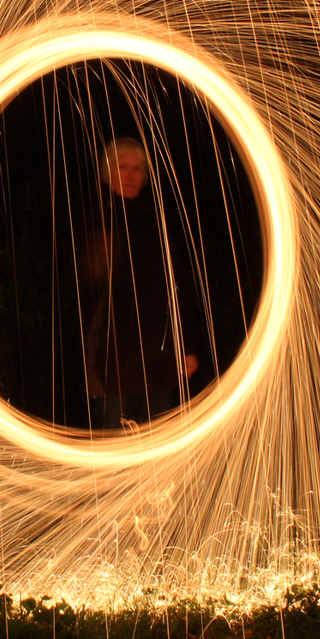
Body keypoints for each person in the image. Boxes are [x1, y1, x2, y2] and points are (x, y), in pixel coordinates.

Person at [80, 137, 199, 430]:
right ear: (108, 172)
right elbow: (85, 297)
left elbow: (178, 287)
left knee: (158, 452)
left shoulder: (156, 224)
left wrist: (188, 345)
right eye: (122, 166)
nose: (131, 174)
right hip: (113, 363)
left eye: (137, 168)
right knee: (115, 451)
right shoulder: (95, 222)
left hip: (160, 361)